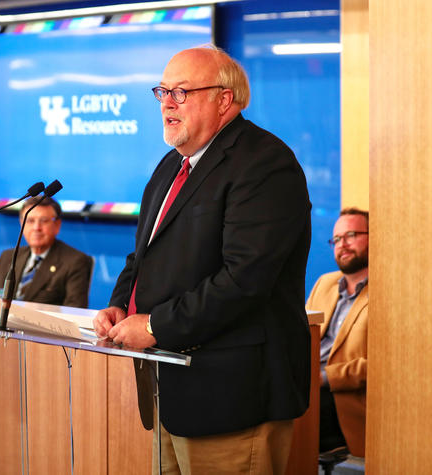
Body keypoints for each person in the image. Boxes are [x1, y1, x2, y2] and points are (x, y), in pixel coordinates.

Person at [92, 46, 312, 474]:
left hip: (232, 398)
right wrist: (123, 305)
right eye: (162, 91)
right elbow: (143, 255)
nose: (167, 103)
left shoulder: (264, 164)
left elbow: (244, 280)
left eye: (181, 92)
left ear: (224, 100)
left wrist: (154, 325)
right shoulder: (170, 167)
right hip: (171, 391)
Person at [306, 208, 368, 457]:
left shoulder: (390, 291)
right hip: (305, 383)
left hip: (342, 397)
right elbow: (302, 337)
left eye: (351, 235)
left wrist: (324, 377)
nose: (343, 244)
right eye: (337, 239)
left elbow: (389, 366)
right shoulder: (325, 283)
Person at [0, 197, 92, 308]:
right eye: (30, 221)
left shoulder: (75, 261)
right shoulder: (8, 256)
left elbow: (75, 309)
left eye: (44, 221)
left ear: (57, 225)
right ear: (21, 224)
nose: (36, 227)